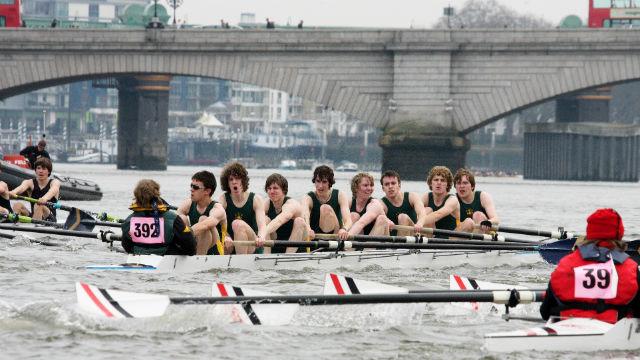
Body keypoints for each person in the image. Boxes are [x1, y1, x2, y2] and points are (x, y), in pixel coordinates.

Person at [540, 208, 640, 323]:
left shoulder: (566, 264)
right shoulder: (631, 269)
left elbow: (545, 312)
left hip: (568, 333)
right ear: (619, 234)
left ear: (589, 233)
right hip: (612, 335)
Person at [121, 179, 196, 256]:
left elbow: (126, 246)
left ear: (136, 196)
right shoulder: (172, 218)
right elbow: (190, 247)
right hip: (166, 258)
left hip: (138, 256)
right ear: (157, 194)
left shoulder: (129, 220)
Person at [218, 162, 267, 254]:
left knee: (237, 224)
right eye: (231, 179)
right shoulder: (223, 199)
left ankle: (240, 264)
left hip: (252, 245)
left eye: (237, 178)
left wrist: (261, 237)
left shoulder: (256, 199)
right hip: (230, 244)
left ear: (243, 180)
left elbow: (262, 226)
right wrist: (225, 236)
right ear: (227, 183)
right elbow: (217, 224)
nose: (234, 182)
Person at [177, 170, 226, 255]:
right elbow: (174, 222)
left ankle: (197, 259)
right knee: (181, 219)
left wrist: (186, 234)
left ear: (207, 191)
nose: (191, 189)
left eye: (195, 187)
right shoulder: (188, 204)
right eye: (191, 186)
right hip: (194, 243)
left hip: (215, 253)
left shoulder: (218, 209)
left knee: (203, 219)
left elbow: (205, 224)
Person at [369, 170, 426, 236]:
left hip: (412, 237)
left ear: (399, 185)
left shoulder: (411, 197)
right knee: (381, 218)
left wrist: (420, 224)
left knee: (402, 217)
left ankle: (400, 245)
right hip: (391, 241)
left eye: (393, 183)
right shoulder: (382, 204)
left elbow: (422, 212)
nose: (390, 186)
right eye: (387, 184)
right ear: (383, 188)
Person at [302, 165, 351, 240]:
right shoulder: (307, 198)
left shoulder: (340, 195)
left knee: (325, 208)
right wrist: (308, 229)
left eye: (324, 182)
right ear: (314, 181)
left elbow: (348, 220)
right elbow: (305, 216)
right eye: (318, 181)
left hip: (335, 235)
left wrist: (344, 229)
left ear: (330, 183)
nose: (320, 186)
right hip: (315, 236)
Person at [263, 173, 308, 254]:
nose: (271, 191)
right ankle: (266, 257)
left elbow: (280, 220)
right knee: (264, 219)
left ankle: (288, 256)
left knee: (299, 221)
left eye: (275, 188)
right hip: (277, 243)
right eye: (269, 188)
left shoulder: (291, 204)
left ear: (283, 190)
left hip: (297, 248)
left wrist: (262, 234)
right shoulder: (266, 203)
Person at [454, 168, 499, 233]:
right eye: (458, 183)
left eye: (465, 183)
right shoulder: (453, 200)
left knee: (478, 215)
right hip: (464, 234)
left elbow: (496, 219)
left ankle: (477, 240)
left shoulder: (483, 196)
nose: (461, 186)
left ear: (472, 186)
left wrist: (487, 222)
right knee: (468, 222)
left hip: (484, 232)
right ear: (455, 186)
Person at [421, 166, 459, 231]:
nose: (439, 183)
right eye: (436, 180)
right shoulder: (426, 197)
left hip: (449, 238)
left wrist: (419, 223)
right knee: (426, 210)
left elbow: (439, 214)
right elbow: (415, 211)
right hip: (432, 237)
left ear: (447, 184)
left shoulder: (452, 199)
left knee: (468, 222)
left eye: (442, 180)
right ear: (430, 183)